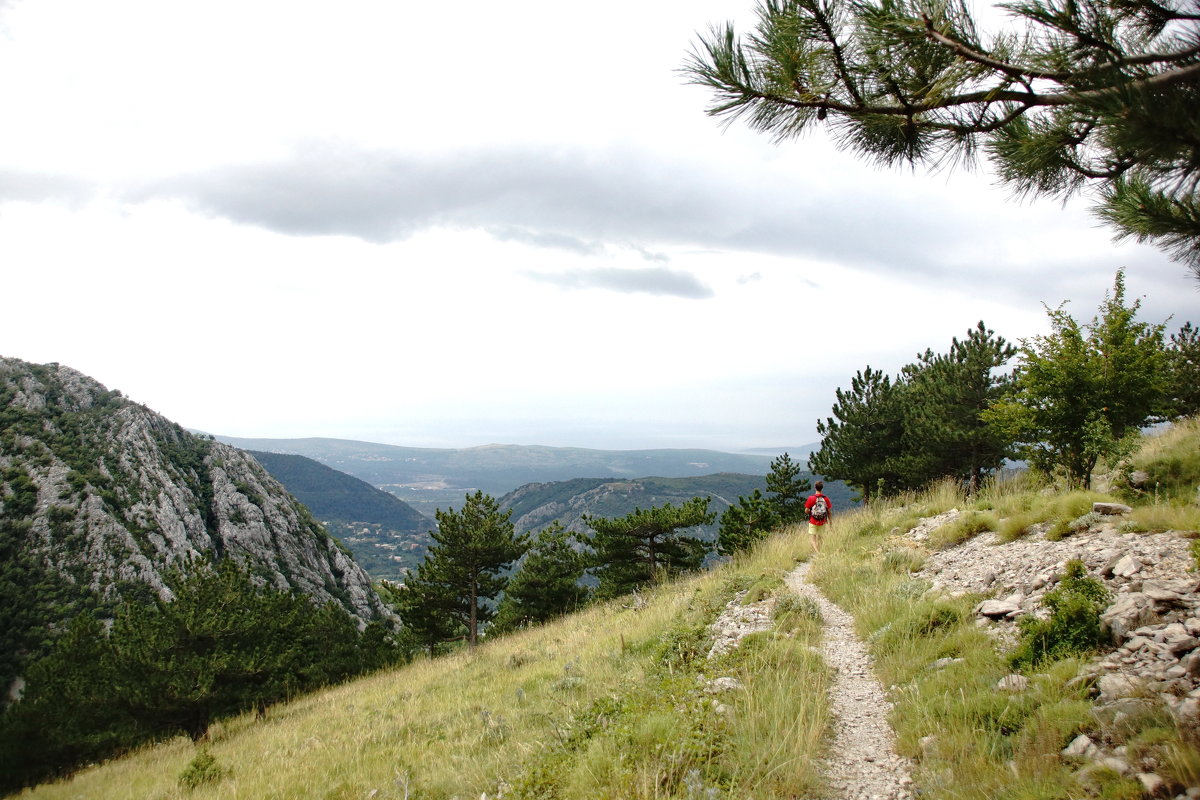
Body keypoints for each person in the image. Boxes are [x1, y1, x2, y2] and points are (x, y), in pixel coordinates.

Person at [804, 481, 832, 553]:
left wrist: (811, 512)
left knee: (813, 539)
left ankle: (817, 553)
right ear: (822, 488)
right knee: (820, 538)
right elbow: (829, 512)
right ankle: (819, 551)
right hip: (822, 521)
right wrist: (830, 522)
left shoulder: (811, 498)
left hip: (813, 521)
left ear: (814, 487)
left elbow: (806, 510)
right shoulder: (825, 498)